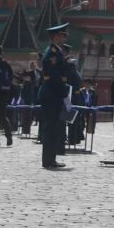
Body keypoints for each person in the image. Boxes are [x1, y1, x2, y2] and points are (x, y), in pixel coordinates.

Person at [38, 25, 83, 171]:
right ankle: (48, 160)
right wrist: (64, 94)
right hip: (52, 93)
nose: (65, 38)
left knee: (53, 128)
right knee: (51, 128)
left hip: (54, 93)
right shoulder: (53, 53)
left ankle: (51, 159)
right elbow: (54, 77)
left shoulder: (57, 52)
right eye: (63, 36)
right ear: (56, 36)